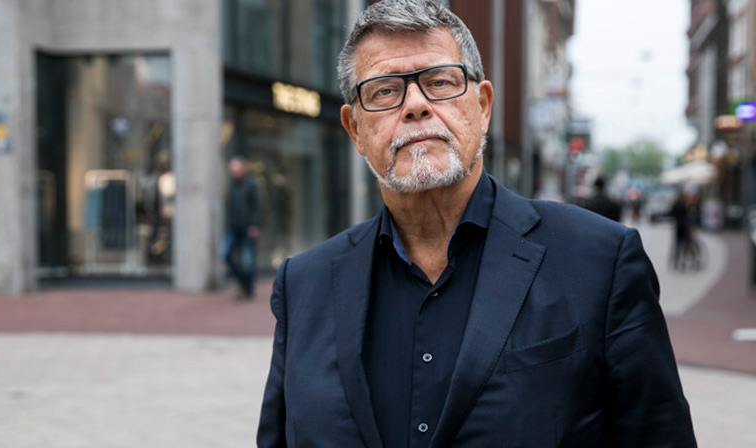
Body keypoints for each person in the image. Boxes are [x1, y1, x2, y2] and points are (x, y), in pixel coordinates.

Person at [258, 1, 696, 446]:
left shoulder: (600, 261)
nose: (415, 105)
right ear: (354, 129)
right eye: (385, 91)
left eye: (439, 82)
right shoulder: (304, 285)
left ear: (483, 106)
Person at [222, 156, 261, 299]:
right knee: (225, 253)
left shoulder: (250, 185)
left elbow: (257, 206)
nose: (234, 173)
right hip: (234, 227)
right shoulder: (231, 185)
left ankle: (248, 289)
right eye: (232, 170)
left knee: (247, 261)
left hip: (247, 228)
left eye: (236, 169)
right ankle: (242, 281)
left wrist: (254, 225)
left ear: (242, 169)